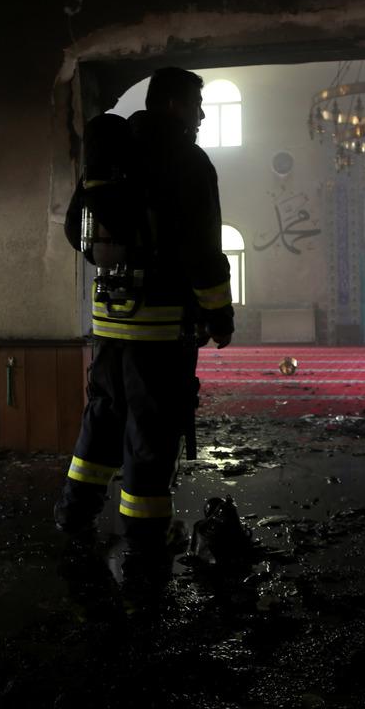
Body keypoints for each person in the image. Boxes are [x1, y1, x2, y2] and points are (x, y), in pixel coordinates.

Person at [54, 67, 233, 590]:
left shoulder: (112, 156)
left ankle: (73, 511)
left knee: (104, 416)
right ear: (174, 105)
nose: (201, 115)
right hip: (161, 325)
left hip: (110, 319)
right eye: (197, 105)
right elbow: (203, 251)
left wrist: (118, 267)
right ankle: (147, 534)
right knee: (153, 429)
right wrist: (218, 314)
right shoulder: (188, 161)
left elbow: (74, 229)